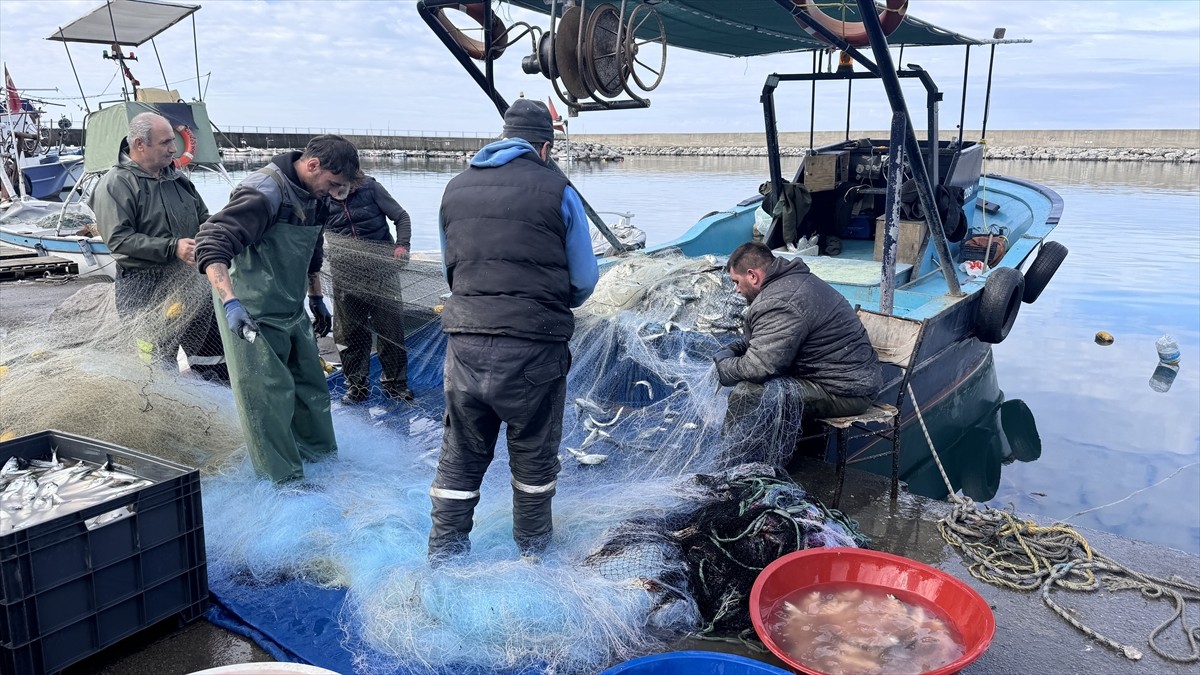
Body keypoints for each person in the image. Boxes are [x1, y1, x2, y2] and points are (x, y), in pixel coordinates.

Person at [429, 99, 599, 562]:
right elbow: (584, 278)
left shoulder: (455, 187)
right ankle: (534, 557)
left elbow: (451, 268)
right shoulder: (557, 189)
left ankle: (443, 555)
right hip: (534, 347)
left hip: (464, 343)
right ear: (544, 148)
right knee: (533, 457)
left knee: (461, 455)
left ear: (503, 137)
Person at [194, 135, 361, 484]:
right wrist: (230, 301)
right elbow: (211, 244)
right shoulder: (263, 191)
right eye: (333, 184)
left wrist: (316, 297)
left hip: (289, 303)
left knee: (311, 386)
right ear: (312, 165)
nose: (335, 193)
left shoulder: (318, 197)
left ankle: (320, 461)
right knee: (267, 395)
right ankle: (281, 480)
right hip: (248, 308)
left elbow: (313, 251)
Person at [90, 112, 227, 381]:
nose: (174, 148)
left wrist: (225, 229)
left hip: (190, 283)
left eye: (173, 142)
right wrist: (172, 247)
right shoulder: (115, 184)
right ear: (140, 144)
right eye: (165, 142)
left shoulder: (178, 179)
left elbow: (202, 219)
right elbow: (118, 239)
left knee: (212, 351)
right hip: (143, 288)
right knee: (155, 364)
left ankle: (220, 401)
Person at [715, 241, 883, 426]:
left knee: (748, 393)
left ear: (752, 276)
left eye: (737, 282)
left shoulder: (779, 302)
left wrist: (723, 366)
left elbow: (758, 368)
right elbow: (772, 339)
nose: (737, 289)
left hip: (846, 391)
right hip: (850, 379)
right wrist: (736, 348)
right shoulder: (793, 280)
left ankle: (731, 454)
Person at [325, 174, 413, 404]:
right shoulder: (319, 195)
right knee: (349, 334)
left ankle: (396, 384)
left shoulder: (370, 187)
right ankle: (356, 386)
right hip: (344, 275)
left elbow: (401, 217)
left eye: (339, 184)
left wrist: (402, 245)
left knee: (391, 331)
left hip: (382, 272)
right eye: (330, 186)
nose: (334, 190)